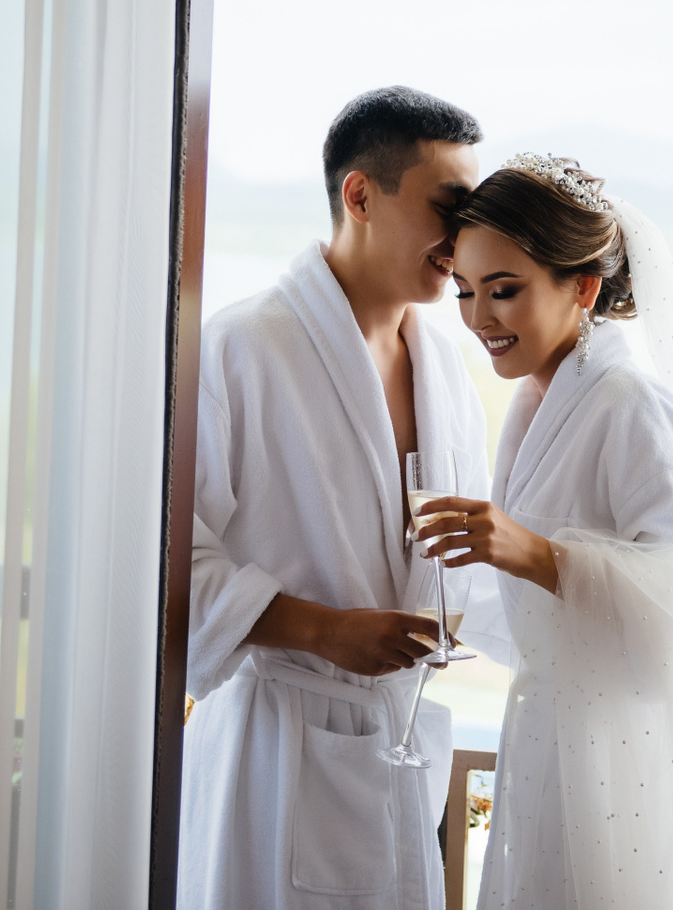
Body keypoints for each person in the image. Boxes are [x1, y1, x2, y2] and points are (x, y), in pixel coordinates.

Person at [423, 154, 673, 909]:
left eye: (504, 290)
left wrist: (536, 553)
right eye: (464, 291)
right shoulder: (538, 404)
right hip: (547, 744)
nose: (479, 317)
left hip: (616, 765)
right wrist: (436, 618)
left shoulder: (629, 403)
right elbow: (537, 619)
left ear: (583, 288)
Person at [180, 88, 491, 910]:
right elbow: (169, 558)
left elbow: (466, 560)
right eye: (447, 207)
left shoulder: (445, 368)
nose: (462, 236)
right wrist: (324, 630)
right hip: (274, 748)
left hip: (393, 738)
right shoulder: (243, 347)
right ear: (360, 195)